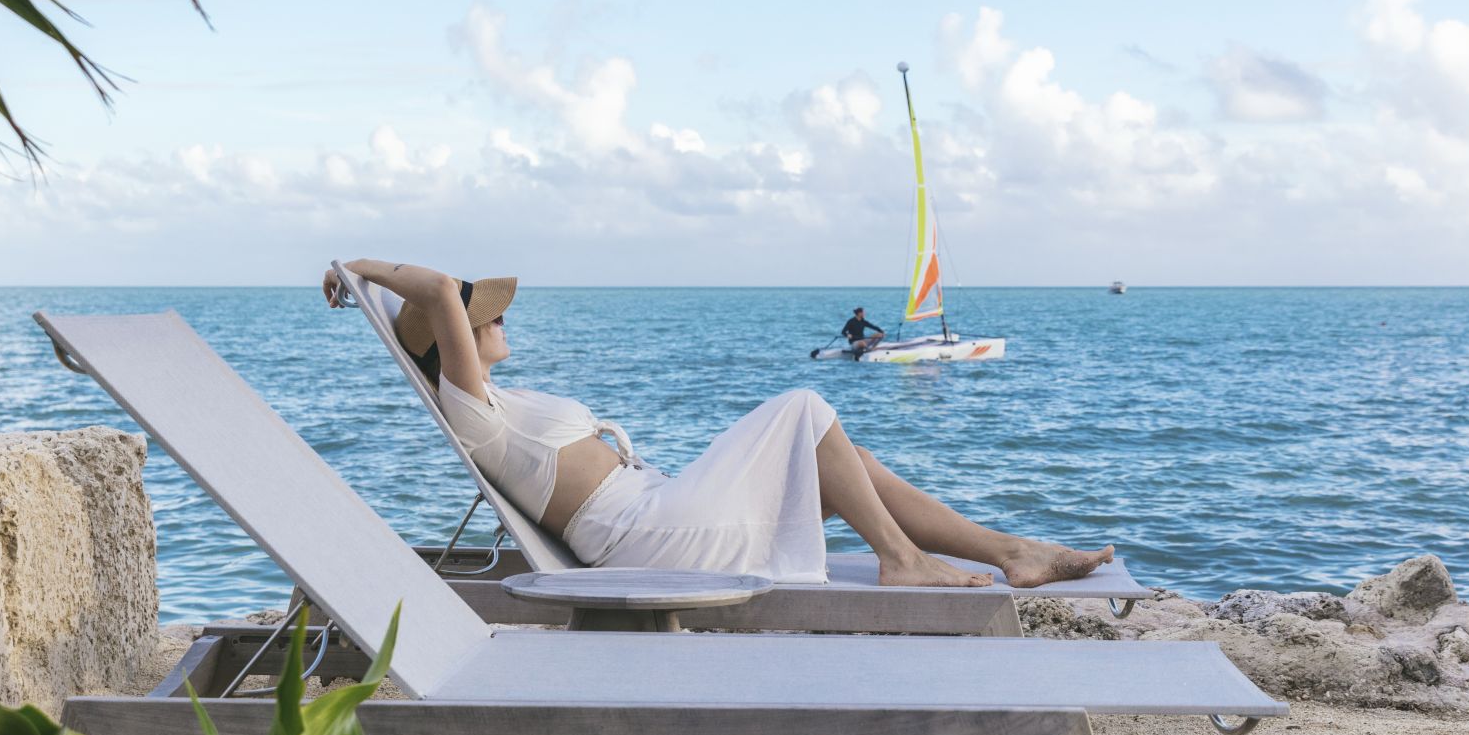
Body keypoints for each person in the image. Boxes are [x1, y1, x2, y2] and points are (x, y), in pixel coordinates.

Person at [327, 259, 1112, 589]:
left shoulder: (503, 401)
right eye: (481, 317)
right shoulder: (476, 412)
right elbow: (433, 289)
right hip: (645, 535)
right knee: (805, 408)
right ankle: (904, 559)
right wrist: (355, 266)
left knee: (843, 451)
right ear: (450, 340)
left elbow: (440, 299)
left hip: (660, 511)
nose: (496, 320)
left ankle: (1016, 552)